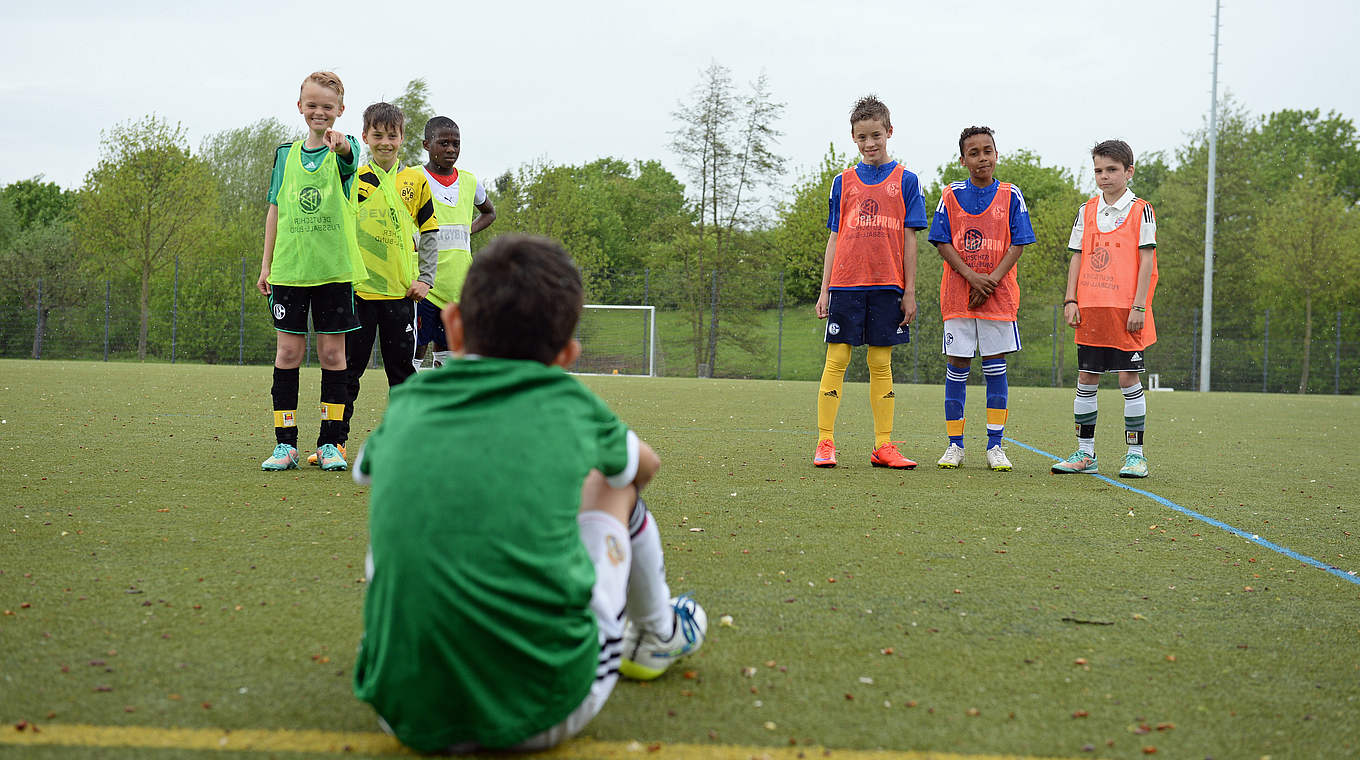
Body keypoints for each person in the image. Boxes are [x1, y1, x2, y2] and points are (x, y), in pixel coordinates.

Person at [351, 235, 705, 753]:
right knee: (615, 483)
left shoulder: (410, 401)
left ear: (453, 324)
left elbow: (366, 470)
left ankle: (419, 657)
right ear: (566, 355)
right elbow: (644, 466)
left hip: (401, 712)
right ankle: (659, 632)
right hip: (546, 708)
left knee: (416, 498)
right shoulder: (566, 399)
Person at [305, 102, 440, 466]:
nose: (385, 142)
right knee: (347, 373)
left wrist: (426, 278)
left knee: (403, 375)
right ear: (364, 137)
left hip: (401, 295)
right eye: (377, 135)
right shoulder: (353, 178)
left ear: (402, 138)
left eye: (391, 135)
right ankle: (332, 443)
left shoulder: (414, 181)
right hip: (358, 295)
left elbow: (430, 233)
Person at [257, 71, 367, 472]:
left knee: (333, 353)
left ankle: (330, 443)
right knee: (288, 352)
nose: (319, 112)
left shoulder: (345, 148)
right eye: (312, 105)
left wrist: (340, 146)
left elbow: (351, 157)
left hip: (333, 271)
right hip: (289, 271)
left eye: (327, 107)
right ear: (300, 107)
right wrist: (266, 264)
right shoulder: (285, 154)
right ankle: (285, 444)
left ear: (339, 111)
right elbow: (275, 209)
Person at [813, 95, 927, 469]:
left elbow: (910, 240)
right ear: (853, 138)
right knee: (838, 357)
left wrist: (909, 291)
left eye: (876, 135)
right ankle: (825, 442)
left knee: (881, 361)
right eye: (862, 137)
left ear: (889, 132)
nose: (870, 143)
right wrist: (824, 288)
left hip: (887, 285)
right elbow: (834, 236)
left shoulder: (907, 181)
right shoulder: (842, 182)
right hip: (845, 285)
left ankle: (884, 445)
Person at [928, 126, 1035, 471]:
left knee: (995, 368)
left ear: (996, 154)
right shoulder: (950, 195)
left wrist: (991, 280)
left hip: (998, 298)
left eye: (987, 151)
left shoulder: (1011, 194)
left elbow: (1018, 242)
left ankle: (995, 445)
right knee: (957, 367)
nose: (981, 158)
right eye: (973, 153)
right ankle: (954, 445)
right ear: (963, 159)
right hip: (958, 297)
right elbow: (942, 241)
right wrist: (972, 277)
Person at [1052, 139, 1158, 479]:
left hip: (1126, 310)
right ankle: (1085, 454)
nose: (1104, 176)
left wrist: (1139, 305)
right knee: (1086, 379)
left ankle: (1135, 456)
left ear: (1129, 171)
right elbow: (1077, 256)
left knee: (1128, 379)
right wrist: (1071, 299)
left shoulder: (1142, 209)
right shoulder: (1086, 210)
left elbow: (1146, 261)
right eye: (1098, 170)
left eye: (1111, 170)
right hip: (1091, 308)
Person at [413, 116, 496, 368]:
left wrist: (465, 231)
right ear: (427, 144)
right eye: (443, 143)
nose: (451, 149)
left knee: (447, 348)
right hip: (423, 280)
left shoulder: (469, 181)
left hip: (457, 282)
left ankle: (442, 400)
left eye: (456, 144)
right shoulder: (413, 177)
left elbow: (489, 212)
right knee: (417, 346)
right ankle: (409, 399)